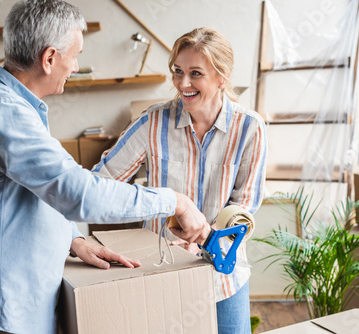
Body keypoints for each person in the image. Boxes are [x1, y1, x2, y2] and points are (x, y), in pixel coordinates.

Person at [0, 1, 209, 333]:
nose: (74, 67)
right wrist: (175, 201)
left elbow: (40, 190)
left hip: (26, 304)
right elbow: (77, 192)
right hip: (10, 315)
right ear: (49, 59)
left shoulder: (14, 106)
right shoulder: (2, 114)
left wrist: (73, 240)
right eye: (74, 56)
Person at [92, 27, 268, 333]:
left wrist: (206, 240)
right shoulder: (152, 122)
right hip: (162, 272)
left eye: (195, 73)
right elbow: (100, 183)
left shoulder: (249, 128)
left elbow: (245, 206)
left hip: (224, 276)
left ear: (221, 77)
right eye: (178, 71)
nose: (182, 83)